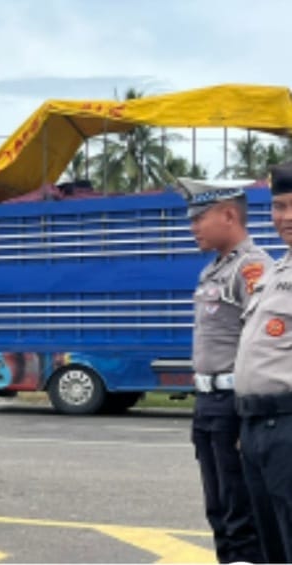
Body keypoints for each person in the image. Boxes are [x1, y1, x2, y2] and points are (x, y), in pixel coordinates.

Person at [179, 178, 268, 564]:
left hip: (235, 403)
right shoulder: (214, 270)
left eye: (200, 217)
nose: (193, 226)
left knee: (240, 511)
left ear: (229, 215)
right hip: (209, 402)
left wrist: (249, 413)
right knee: (219, 509)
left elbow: (265, 345)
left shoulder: (253, 268)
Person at [234, 162, 292, 563]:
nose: (285, 217)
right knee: (271, 547)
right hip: (259, 427)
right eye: (278, 207)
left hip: (287, 426)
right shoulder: (276, 270)